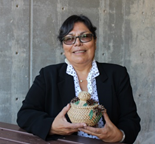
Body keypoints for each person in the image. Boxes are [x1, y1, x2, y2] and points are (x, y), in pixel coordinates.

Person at [17, 14, 141, 143]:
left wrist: (119, 136)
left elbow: (131, 120)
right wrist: (52, 126)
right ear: (63, 47)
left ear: (95, 41)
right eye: (69, 39)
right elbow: (25, 114)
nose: (77, 43)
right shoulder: (48, 75)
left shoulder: (117, 74)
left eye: (85, 36)